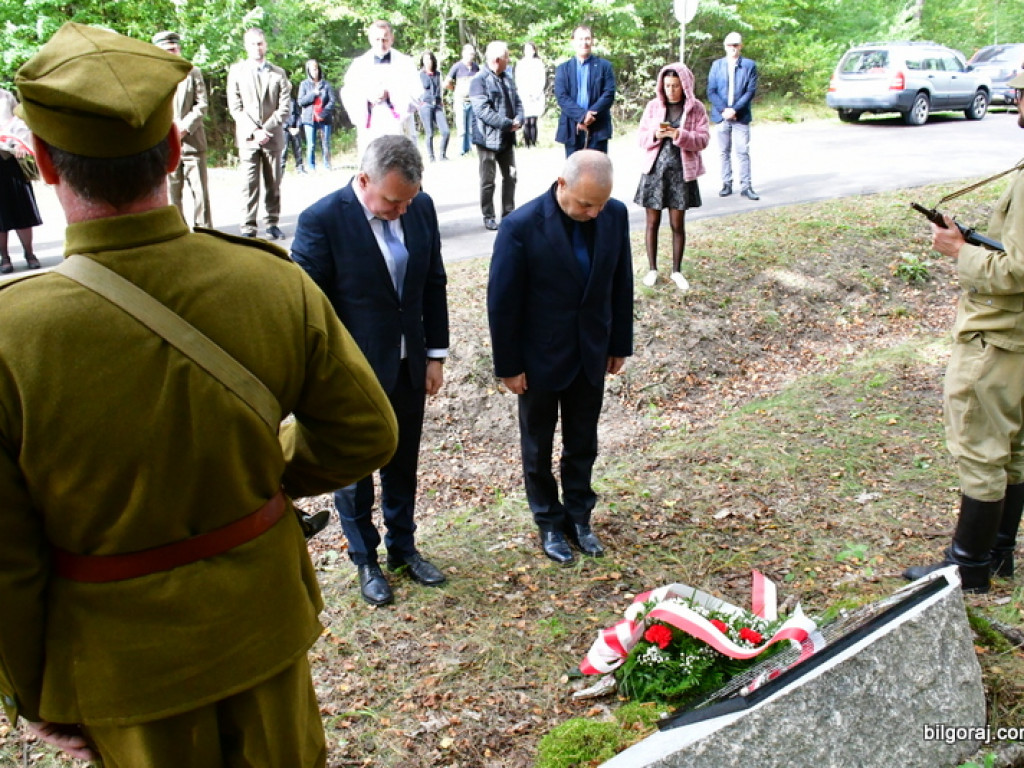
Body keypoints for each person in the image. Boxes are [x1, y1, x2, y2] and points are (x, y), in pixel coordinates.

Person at [1, 22, 398, 764]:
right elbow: (365, 434)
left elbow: (7, 562)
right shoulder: (272, 282)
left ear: (46, 165)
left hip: (121, 667)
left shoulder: (9, 336)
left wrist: (34, 691)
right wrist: (260, 464)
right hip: (263, 630)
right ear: (176, 150)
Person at [291, 135, 450, 607]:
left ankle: (404, 547)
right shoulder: (321, 221)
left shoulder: (419, 209)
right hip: (352, 374)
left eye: (409, 200)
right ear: (364, 180)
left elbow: (434, 283)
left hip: (408, 362)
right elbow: (309, 310)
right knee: (356, 471)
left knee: (403, 460)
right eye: (392, 200)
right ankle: (365, 559)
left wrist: (435, 354)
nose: (402, 210)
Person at [902, 72, 1024, 594]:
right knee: (1014, 449)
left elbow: (1016, 271)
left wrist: (959, 251)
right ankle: (997, 556)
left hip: (998, 339)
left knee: (980, 448)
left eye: (1022, 91)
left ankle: (967, 568)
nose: (1017, 98)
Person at [487, 150, 633, 565]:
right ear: (561, 184)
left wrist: (619, 342)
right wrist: (509, 365)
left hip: (591, 352)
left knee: (583, 441)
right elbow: (502, 301)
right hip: (538, 360)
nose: (594, 211)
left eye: (601, 203)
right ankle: (548, 522)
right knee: (537, 445)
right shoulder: (521, 226)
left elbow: (621, 281)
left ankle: (579, 517)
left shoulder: (614, 215)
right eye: (586, 203)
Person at [635, 63, 709, 291]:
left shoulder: (696, 108)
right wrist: (656, 134)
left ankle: (677, 271)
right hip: (655, 172)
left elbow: (703, 140)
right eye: (667, 85)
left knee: (678, 224)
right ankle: (652, 269)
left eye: (675, 86)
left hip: (681, 174)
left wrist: (680, 134)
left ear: (684, 85)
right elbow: (641, 138)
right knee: (652, 223)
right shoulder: (653, 107)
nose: (671, 90)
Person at [227, 27, 292, 239]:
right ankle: (248, 226)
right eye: (253, 44)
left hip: (272, 138)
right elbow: (235, 106)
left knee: (273, 184)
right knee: (249, 184)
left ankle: (272, 222)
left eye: (260, 43)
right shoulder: (237, 72)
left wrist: (267, 129)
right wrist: (254, 130)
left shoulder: (278, 73)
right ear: (246, 46)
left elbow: (284, 108)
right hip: (248, 139)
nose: (257, 47)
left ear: (266, 44)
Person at [151, 30, 212, 229]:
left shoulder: (192, 72)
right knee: (172, 193)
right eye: (167, 49)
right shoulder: (151, 76)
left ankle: (205, 233)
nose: (172, 52)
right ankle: (178, 232)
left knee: (200, 193)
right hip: (165, 144)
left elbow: (202, 104)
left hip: (193, 143)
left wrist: (184, 127)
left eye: (174, 49)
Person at [340, 20, 421, 161]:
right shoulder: (359, 65)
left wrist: (392, 95)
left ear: (392, 38)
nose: (381, 43)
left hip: (398, 127)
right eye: (377, 39)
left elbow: (417, 94)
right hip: (372, 127)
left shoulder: (405, 63)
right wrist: (366, 97)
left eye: (385, 39)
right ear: (370, 39)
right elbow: (348, 94)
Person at [469, 41, 523, 232]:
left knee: (511, 176)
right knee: (488, 181)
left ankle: (509, 214)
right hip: (487, 140)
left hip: (507, 139)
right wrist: (508, 124)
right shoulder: (478, 80)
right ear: (498, 59)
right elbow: (482, 111)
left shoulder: (508, 78)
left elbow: (517, 102)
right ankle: (489, 216)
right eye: (507, 56)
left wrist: (519, 118)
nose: (509, 60)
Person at [707, 32, 759, 200]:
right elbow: (711, 91)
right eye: (730, 45)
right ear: (725, 46)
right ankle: (727, 183)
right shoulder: (717, 65)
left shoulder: (749, 65)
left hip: (740, 116)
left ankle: (746, 186)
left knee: (742, 151)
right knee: (724, 152)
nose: (733, 48)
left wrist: (735, 110)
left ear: (741, 46)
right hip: (721, 115)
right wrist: (724, 110)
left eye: (736, 45)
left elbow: (750, 91)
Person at [553, 25, 616, 156]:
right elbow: (562, 97)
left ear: (592, 41)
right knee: (574, 174)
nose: (584, 43)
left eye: (587, 38)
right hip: (572, 129)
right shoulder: (563, 69)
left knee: (597, 173)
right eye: (580, 39)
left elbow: (609, 94)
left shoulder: (605, 66)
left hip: (598, 128)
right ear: (573, 42)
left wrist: (591, 116)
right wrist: (582, 117)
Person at [0, 87, 41, 273]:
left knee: (21, 208)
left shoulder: (5, 96)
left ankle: (30, 253)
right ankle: (4, 257)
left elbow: (20, 122)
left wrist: (21, 142)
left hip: (12, 160)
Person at [297, 59, 334, 171]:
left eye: (316, 68)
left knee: (326, 143)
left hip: (324, 118)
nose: (315, 71)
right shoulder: (304, 84)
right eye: (312, 69)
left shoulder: (326, 84)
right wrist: (313, 94)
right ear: (308, 71)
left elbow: (332, 101)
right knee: (311, 144)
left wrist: (324, 113)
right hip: (310, 119)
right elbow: (301, 101)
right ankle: (311, 167)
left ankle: (327, 165)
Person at [444, 44, 480, 157]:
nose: (471, 56)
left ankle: (469, 149)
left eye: (473, 54)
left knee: (470, 127)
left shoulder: (476, 67)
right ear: (464, 53)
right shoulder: (457, 67)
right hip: (460, 100)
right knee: (461, 128)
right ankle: (461, 151)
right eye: (469, 54)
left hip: (472, 100)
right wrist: (454, 89)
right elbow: (446, 83)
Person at [418, 51, 450, 162]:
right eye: (425, 59)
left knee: (446, 131)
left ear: (433, 60)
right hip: (425, 105)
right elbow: (416, 90)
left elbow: (440, 88)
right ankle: (431, 157)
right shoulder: (420, 75)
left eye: (429, 59)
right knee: (430, 133)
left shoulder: (438, 74)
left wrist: (441, 102)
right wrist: (420, 103)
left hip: (437, 105)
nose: (428, 62)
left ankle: (442, 155)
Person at [516, 42, 546, 148]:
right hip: (524, 95)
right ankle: (526, 143)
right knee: (525, 121)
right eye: (526, 49)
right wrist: (525, 93)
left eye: (530, 49)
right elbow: (518, 80)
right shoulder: (521, 64)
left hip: (536, 95)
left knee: (533, 121)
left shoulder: (539, 63)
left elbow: (542, 79)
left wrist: (536, 93)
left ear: (534, 51)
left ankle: (533, 142)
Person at [282, 95, 307, 174]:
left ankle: (300, 168)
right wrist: (288, 128)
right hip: (284, 129)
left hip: (295, 128)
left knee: (298, 149)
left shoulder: (292, 100)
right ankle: (280, 170)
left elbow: (298, 114)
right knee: (283, 150)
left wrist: (298, 127)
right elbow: (277, 117)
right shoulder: (277, 101)